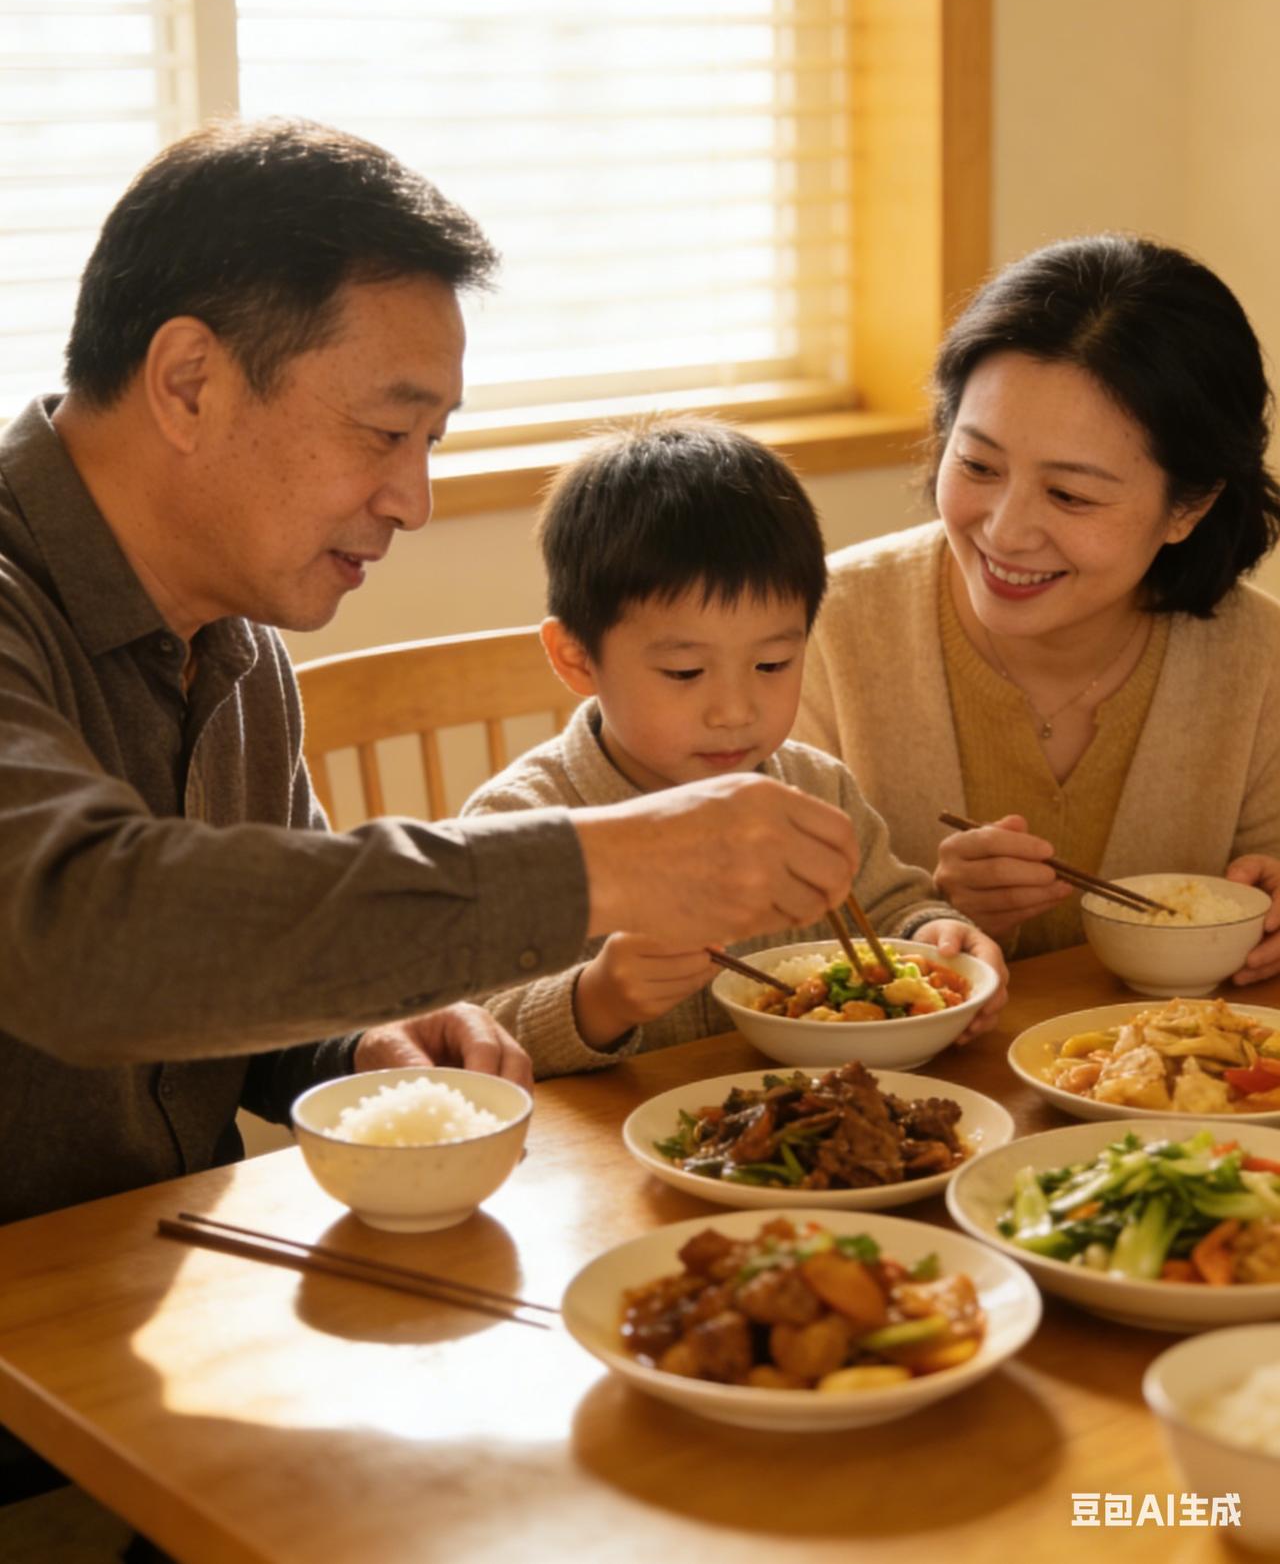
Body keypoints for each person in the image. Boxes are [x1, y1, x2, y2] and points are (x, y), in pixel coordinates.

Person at [0, 117, 862, 1227]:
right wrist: (601, 861)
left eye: (431, 443)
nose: (413, 500)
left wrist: (359, 1038)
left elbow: (247, 960)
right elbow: (89, 940)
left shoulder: (240, 650)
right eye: (382, 432)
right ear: (187, 381)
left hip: (151, 1281)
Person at [794, 233, 1280, 976]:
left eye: (1070, 494)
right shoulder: (817, 632)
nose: (1007, 530)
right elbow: (753, 947)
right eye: (978, 465)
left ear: (1191, 506)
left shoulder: (1260, 662)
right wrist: (925, 919)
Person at [460, 420, 1007, 1076]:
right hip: (613, 1161)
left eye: (773, 663)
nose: (735, 711)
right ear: (576, 658)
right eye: (685, 673)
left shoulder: (815, 787)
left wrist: (936, 937)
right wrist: (596, 999)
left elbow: (891, 908)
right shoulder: (519, 825)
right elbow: (471, 1032)